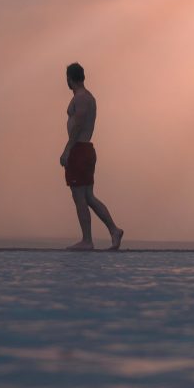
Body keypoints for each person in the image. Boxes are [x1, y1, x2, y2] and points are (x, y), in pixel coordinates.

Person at [60, 62, 124, 251]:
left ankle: (87, 240)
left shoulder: (81, 98)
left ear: (70, 79)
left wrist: (67, 150)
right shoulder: (89, 97)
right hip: (85, 149)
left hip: (79, 149)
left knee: (79, 196)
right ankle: (114, 229)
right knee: (88, 196)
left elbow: (78, 124)